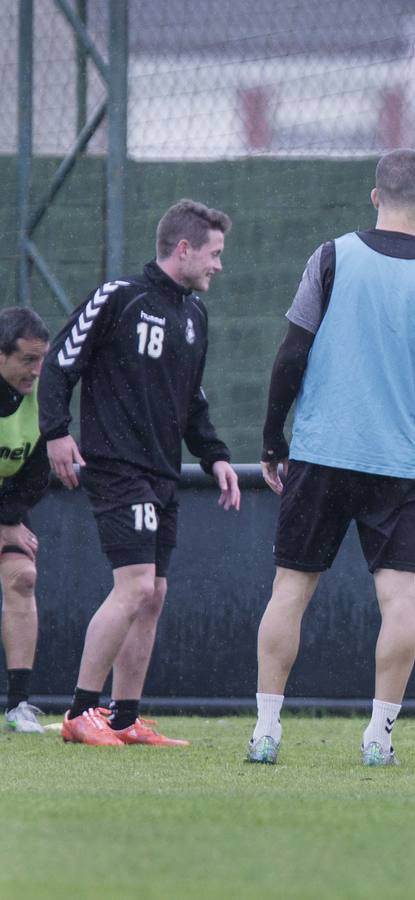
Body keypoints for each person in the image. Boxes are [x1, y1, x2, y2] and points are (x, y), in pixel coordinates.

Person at [249, 149, 415, 767]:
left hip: (321, 453)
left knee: (290, 591)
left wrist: (274, 438)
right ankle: (379, 737)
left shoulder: (330, 257)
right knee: (399, 598)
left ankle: (267, 731)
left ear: (376, 197)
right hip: (398, 463)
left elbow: (290, 355)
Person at [41, 199, 241, 747]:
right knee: (132, 588)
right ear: (183, 249)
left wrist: (216, 455)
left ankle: (124, 719)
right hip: (117, 466)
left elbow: (192, 400)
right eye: (214, 254)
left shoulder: (194, 316)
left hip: (162, 473)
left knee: (153, 593)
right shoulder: (120, 297)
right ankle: (80, 713)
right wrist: (56, 432)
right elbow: (60, 362)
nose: (218, 265)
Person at [0, 308, 52, 734]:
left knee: (23, 577)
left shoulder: (40, 393)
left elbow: (35, 475)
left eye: (41, 361)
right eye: (26, 361)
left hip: (5, 504)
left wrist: (8, 521)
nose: (36, 371)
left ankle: (18, 706)